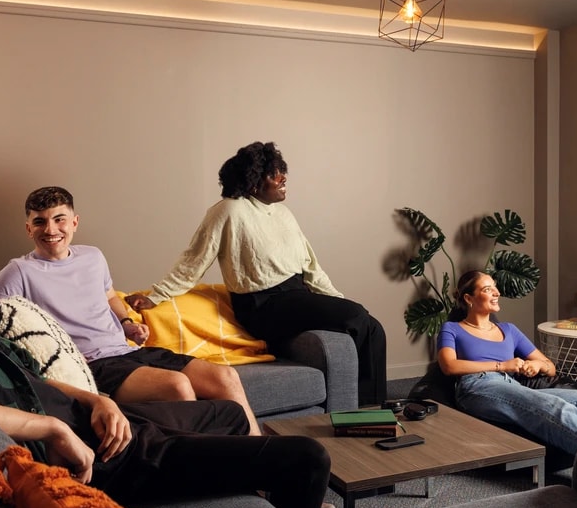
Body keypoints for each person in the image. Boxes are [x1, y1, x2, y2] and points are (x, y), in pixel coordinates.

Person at [0, 184, 334, 508]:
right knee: (308, 459)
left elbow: (27, 376)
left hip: (104, 419)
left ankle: (246, 484)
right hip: (107, 460)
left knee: (229, 410)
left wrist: (94, 399)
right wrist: (51, 427)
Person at [125, 142, 387, 405]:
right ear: (253, 182)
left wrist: (337, 300)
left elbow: (312, 268)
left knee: (372, 326)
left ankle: (376, 410)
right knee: (355, 316)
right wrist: (157, 296)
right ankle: (364, 412)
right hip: (263, 305)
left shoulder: (284, 214)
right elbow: (194, 260)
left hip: (296, 295)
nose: (283, 178)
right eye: (274, 173)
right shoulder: (229, 210)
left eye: (282, 171)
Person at [0, 186, 262, 436]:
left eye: (59, 219)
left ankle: (259, 457)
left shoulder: (92, 256)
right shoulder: (18, 272)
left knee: (225, 376)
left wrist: (127, 322)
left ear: (74, 222)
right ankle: (208, 462)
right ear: (28, 228)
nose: (50, 229)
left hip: (127, 351)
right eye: (39, 221)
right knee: (177, 386)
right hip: (93, 365)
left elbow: (109, 296)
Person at [437, 270, 577, 456]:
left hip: (510, 384)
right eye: (488, 289)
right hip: (477, 385)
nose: (497, 293)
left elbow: (550, 367)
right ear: (469, 298)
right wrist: (502, 365)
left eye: (495, 288)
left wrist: (537, 365)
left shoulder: (509, 330)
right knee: (554, 407)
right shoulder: (452, 329)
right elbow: (449, 366)